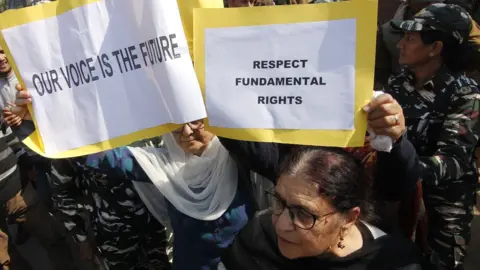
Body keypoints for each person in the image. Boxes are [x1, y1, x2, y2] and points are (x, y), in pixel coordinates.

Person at [219, 146, 426, 270]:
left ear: (349, 218)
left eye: (303, 214)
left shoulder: (394, 262)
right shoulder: (257, 237)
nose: (281, 225)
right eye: (279, 201)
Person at [387, 4, 480, 269]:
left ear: (435, 48)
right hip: (400, 199)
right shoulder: (398, 83)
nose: (400, 45)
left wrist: (405, 167)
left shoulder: (465, 96)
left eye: (410, 39)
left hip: (443, 208)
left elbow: (452, 161)